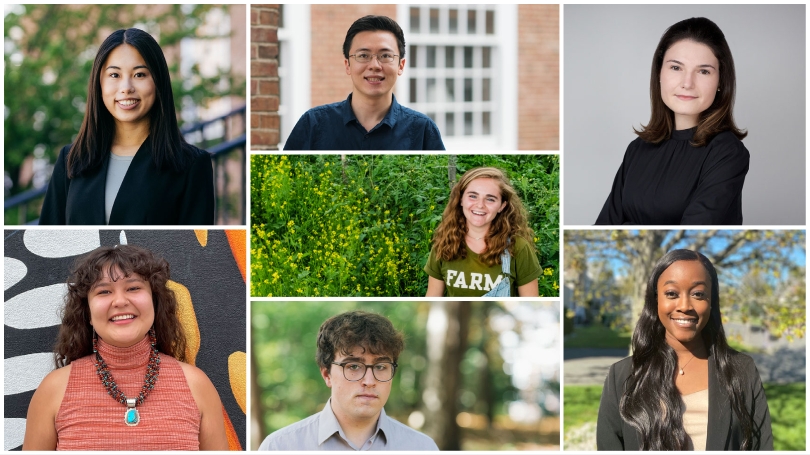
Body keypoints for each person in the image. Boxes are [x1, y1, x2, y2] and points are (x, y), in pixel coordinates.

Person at [22, 245, 229, 450]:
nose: (120, 301)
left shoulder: (197, 385)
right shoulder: (54, 389)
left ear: (155, 303)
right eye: (104, 291)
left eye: (133, 288)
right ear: (88, 313)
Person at [596, 249, 772, 450]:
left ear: (711, 302)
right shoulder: (621, 376)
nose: (685, 305)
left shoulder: (742, 370)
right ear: (655, 300)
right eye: (672, 293)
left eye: (698, 294)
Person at [39, 28, 215, 225]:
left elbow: (196, 252)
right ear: (99, 83)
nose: (126, 87)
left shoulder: (191, 166)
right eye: (114, 75)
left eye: (139, 74)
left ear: (158, 82)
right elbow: (49, 239)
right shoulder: (71, 160)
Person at [596, 17, 749, 225]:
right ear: (659, 73)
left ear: (720, 81)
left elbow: (693, 236)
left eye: (703, 71)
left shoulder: (727, 153)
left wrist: (629, 228)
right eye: (676, 68)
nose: (687, 83)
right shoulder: (637, 149)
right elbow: (604, 228)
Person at [258, 311, 438, 450]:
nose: (369, 381)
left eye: (380, 367)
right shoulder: (280, 446)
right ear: (327, 374)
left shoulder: (422, 447)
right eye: (353, 366)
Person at [283, 15, 445, 150]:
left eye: (385, 56)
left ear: (400, 66)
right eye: (363, 56)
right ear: (348, 65)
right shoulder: (314, 124)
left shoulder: (423, 130)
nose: (374, 65)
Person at [425, 167, 541, 297]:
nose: (480, 205)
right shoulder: (444, 243)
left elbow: (531, 303)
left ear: (502, 206)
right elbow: (432, 299)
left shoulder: (518, 247)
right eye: (473, 196)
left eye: (490, 199)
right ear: (461, 199)